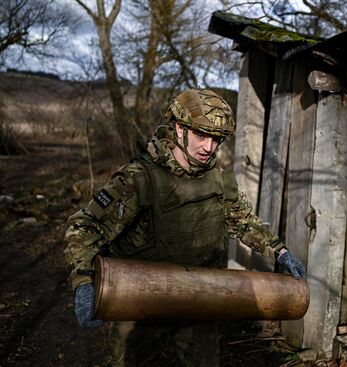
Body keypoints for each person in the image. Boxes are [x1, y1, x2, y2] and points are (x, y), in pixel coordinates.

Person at [64, 88, 307, 366]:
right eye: (201, 135)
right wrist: (83, 282)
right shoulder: (140, 179)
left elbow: (243, 221)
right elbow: (84, 226)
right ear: (179, 129)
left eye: (216, 139)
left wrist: (280, 251)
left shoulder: (218, 180)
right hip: (139, 298)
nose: (209, 147)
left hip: (200, 297)